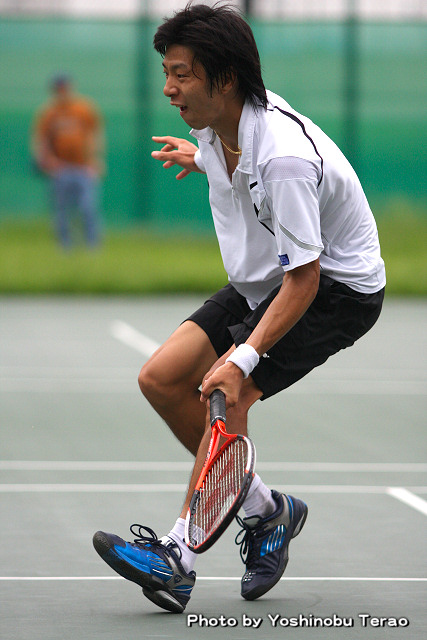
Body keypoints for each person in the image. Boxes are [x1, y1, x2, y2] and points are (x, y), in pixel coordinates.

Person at [93, 3, 386, 614]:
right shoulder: (219, 124)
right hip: (267, 279)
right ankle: (267, 510)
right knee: (161, 378)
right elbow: (235, 168)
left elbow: (305, 277)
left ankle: (178, 559)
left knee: (228, 395)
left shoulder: (283, 159)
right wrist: (200, 158)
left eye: (181, 74)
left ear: (224, 79)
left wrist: (244, 358)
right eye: (167, 73)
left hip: (333, 290)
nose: (169, 88)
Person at [32, 74, 104, 247]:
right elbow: (41, 140)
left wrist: (95, 160)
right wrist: (48, 161)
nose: (62, 92)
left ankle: (92, 246)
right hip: (61, 167)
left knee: (88, 208)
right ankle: (65, 247)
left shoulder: (83, 109)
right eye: (59, 89)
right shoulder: (49, 112)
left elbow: (95, 135)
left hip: (83, 167)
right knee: (61, 211)